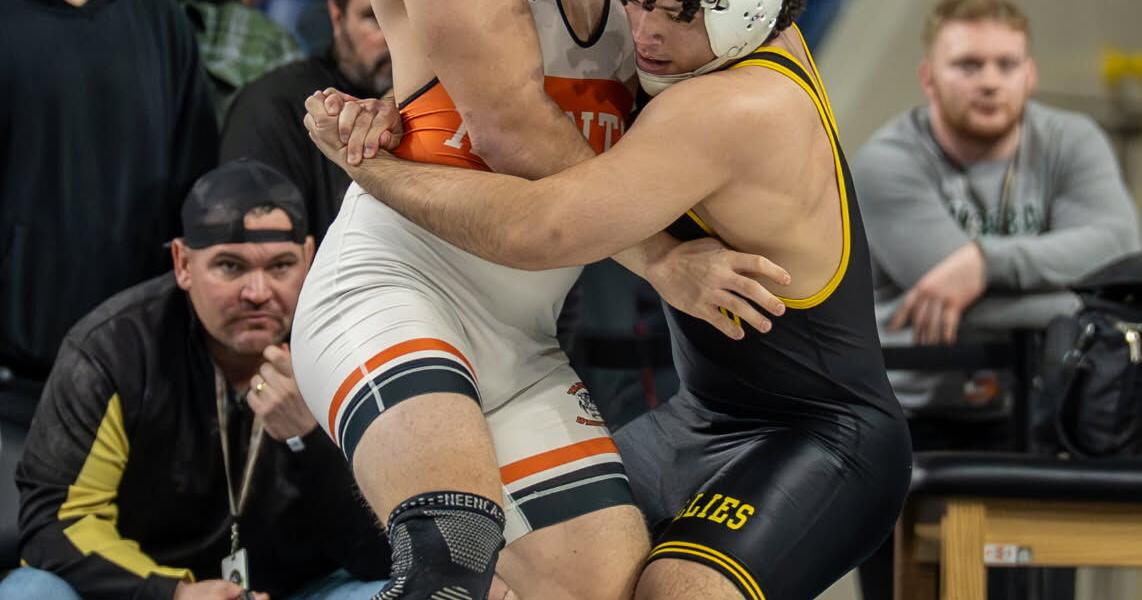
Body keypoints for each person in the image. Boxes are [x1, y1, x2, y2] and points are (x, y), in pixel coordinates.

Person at [304, 0, 913, 598]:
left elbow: (535, 224)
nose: (645, 32)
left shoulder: (727, 103)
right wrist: (398, 115)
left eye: (676, 14)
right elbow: (483, 102)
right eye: (640, 5)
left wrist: (369, 165)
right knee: (452, 559)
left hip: (817, 432)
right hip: (403, 293)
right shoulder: (696, 53)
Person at [850, 2, 1141, 597]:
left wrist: (985, 263)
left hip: (1038, 413)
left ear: (1029, 74)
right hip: (910, 423)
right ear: (929, 77)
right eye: (968, 64)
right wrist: (1077, 307)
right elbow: (943, 304)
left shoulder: (1070, 140)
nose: (989, 80)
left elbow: (1119, 249)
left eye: (1006, 64)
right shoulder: (887, 161)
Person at [4, 160, 390, 600]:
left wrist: (307, 437)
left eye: (281, 266)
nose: (258, 292)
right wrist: (175, 593)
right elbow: (54, 525)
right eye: (230, 266)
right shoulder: (114, 351)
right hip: (148, 589)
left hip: (297, 589)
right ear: (183, 263)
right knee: (29, 592)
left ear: (308, 257)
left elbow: (388, 551)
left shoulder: (349, 347)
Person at [0, 0, 219, 566]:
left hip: (136, 379)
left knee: (130, 564)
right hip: (14, 383)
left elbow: (195, 186)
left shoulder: (160, 20)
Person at [221, 0, 392, 242]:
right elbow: (255, 250)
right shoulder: (273, 105)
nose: (397, 36)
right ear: (337, 15)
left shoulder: (445, 101)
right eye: (375, 17)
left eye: (410, 18)